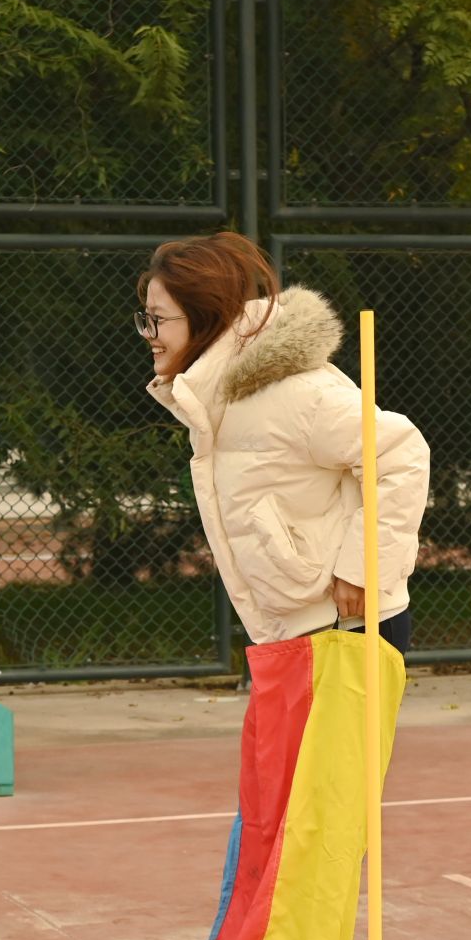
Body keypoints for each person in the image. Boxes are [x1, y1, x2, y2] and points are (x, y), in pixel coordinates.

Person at [137, 232, 430, 654]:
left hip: (348, 625)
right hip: (295, 629)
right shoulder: (220, 400)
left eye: (158, 319)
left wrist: (362, 569)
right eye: (145, 318)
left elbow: (402, 455)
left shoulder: (295, 392)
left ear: (205, 316)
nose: (147, 333)